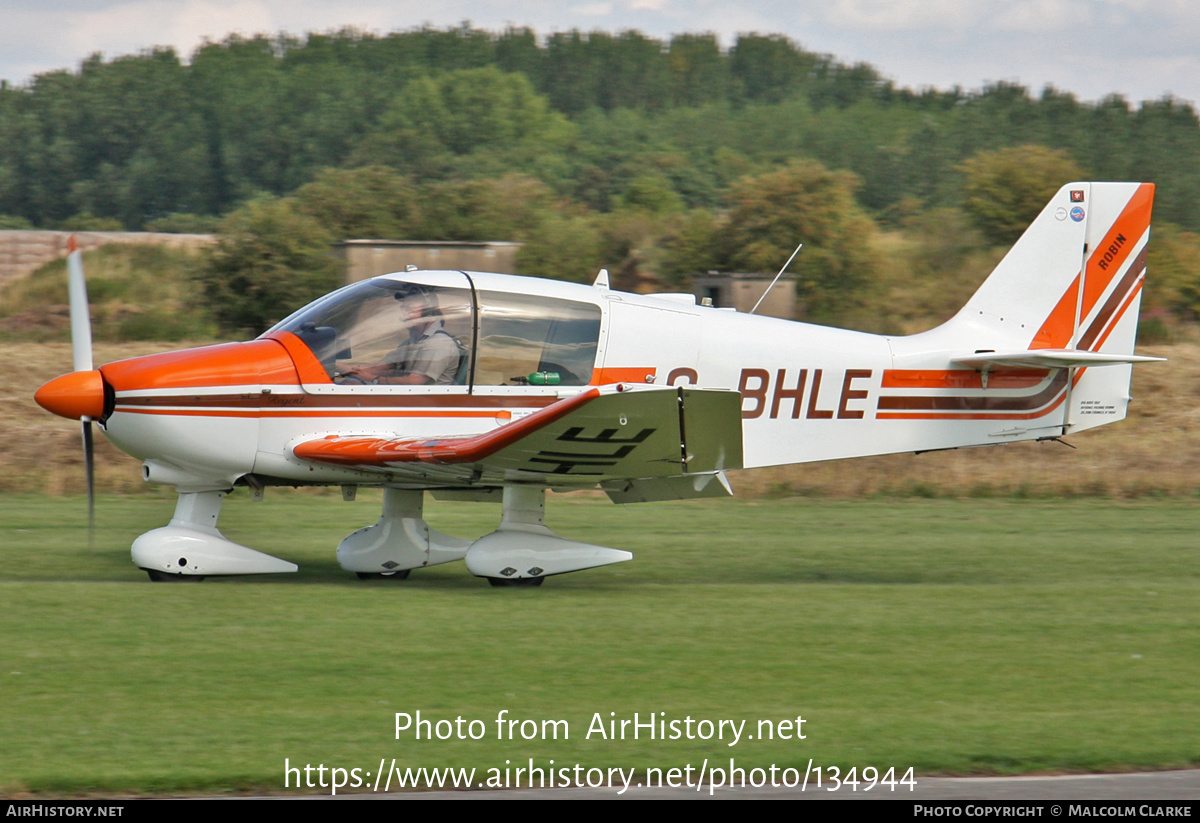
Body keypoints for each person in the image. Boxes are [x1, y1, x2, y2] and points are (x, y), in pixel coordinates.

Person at [339, 291, 461, 385]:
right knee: (351, 383)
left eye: (410, 309)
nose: (404, 313)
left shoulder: (438, 343)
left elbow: (415, 382)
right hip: (408, 402)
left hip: (425, 408)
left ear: (429, 314)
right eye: (403, 308)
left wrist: (373, 379)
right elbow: (377, 368)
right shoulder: (413, 342)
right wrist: (335, 366)